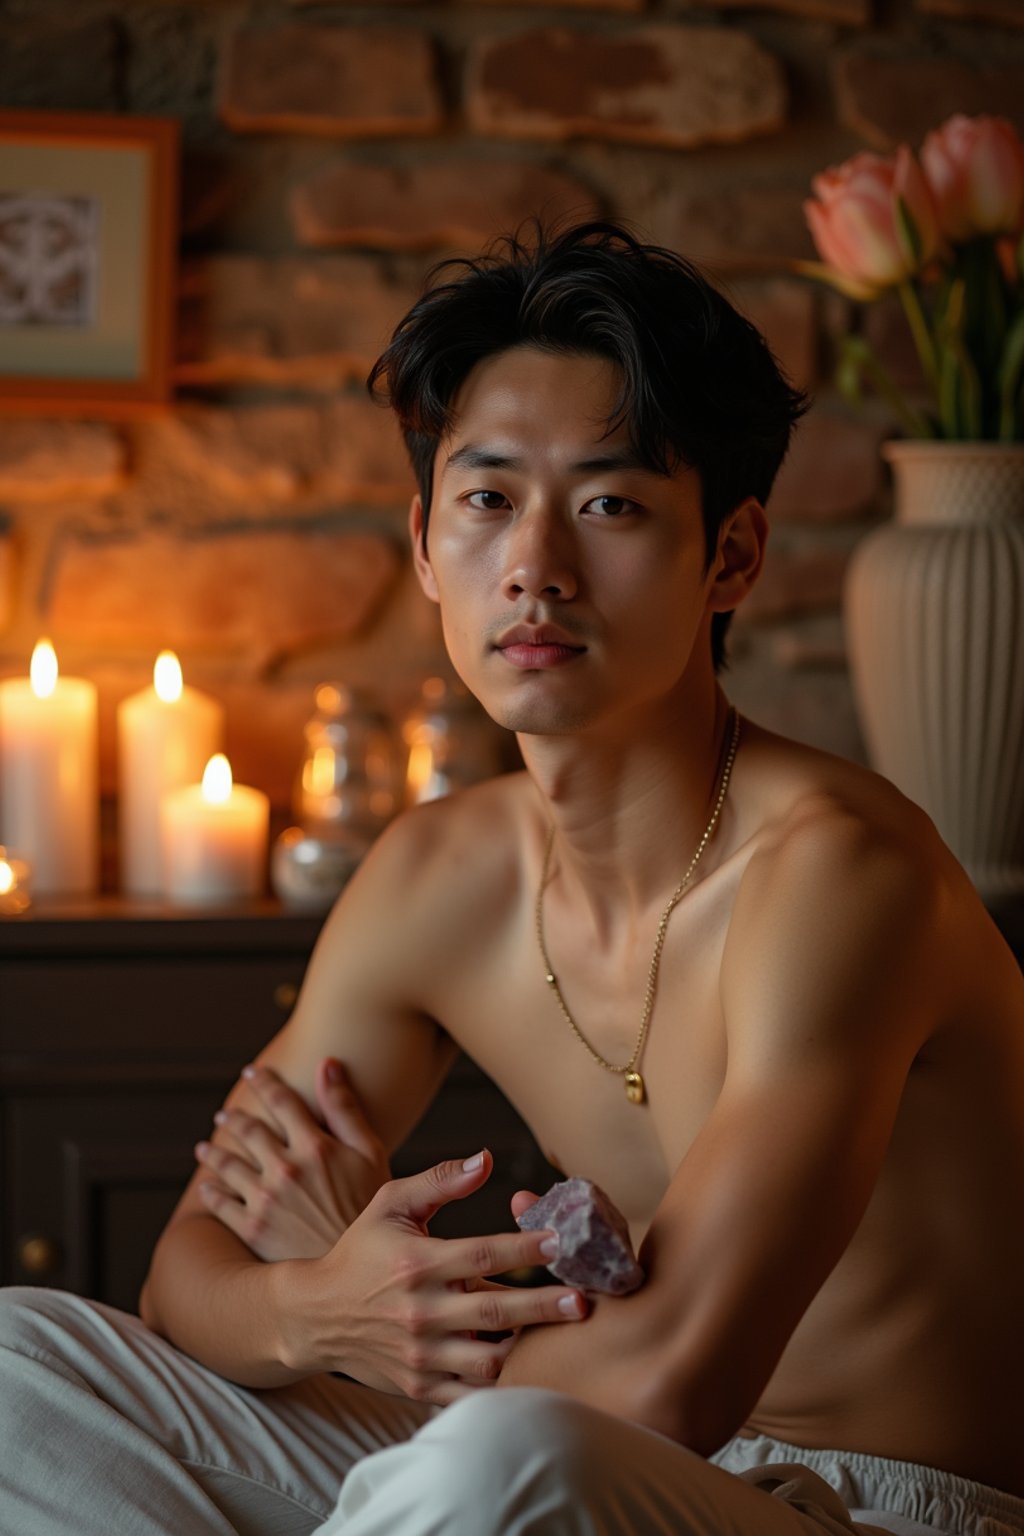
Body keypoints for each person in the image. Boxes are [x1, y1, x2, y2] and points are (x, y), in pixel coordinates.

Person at [2, 220, 1024, 1536]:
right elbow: (186, 1277)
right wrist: (331, 1306)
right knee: (23, 1365)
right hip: (547, 1433)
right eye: (488, 500)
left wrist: (415, 1337)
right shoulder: (440, 873)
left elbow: (666, 1385)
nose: (535, 567)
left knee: (500, 1465)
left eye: (609, 503)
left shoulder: (836, 875)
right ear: (427, 545)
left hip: (889, 1507)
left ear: (732, 555)